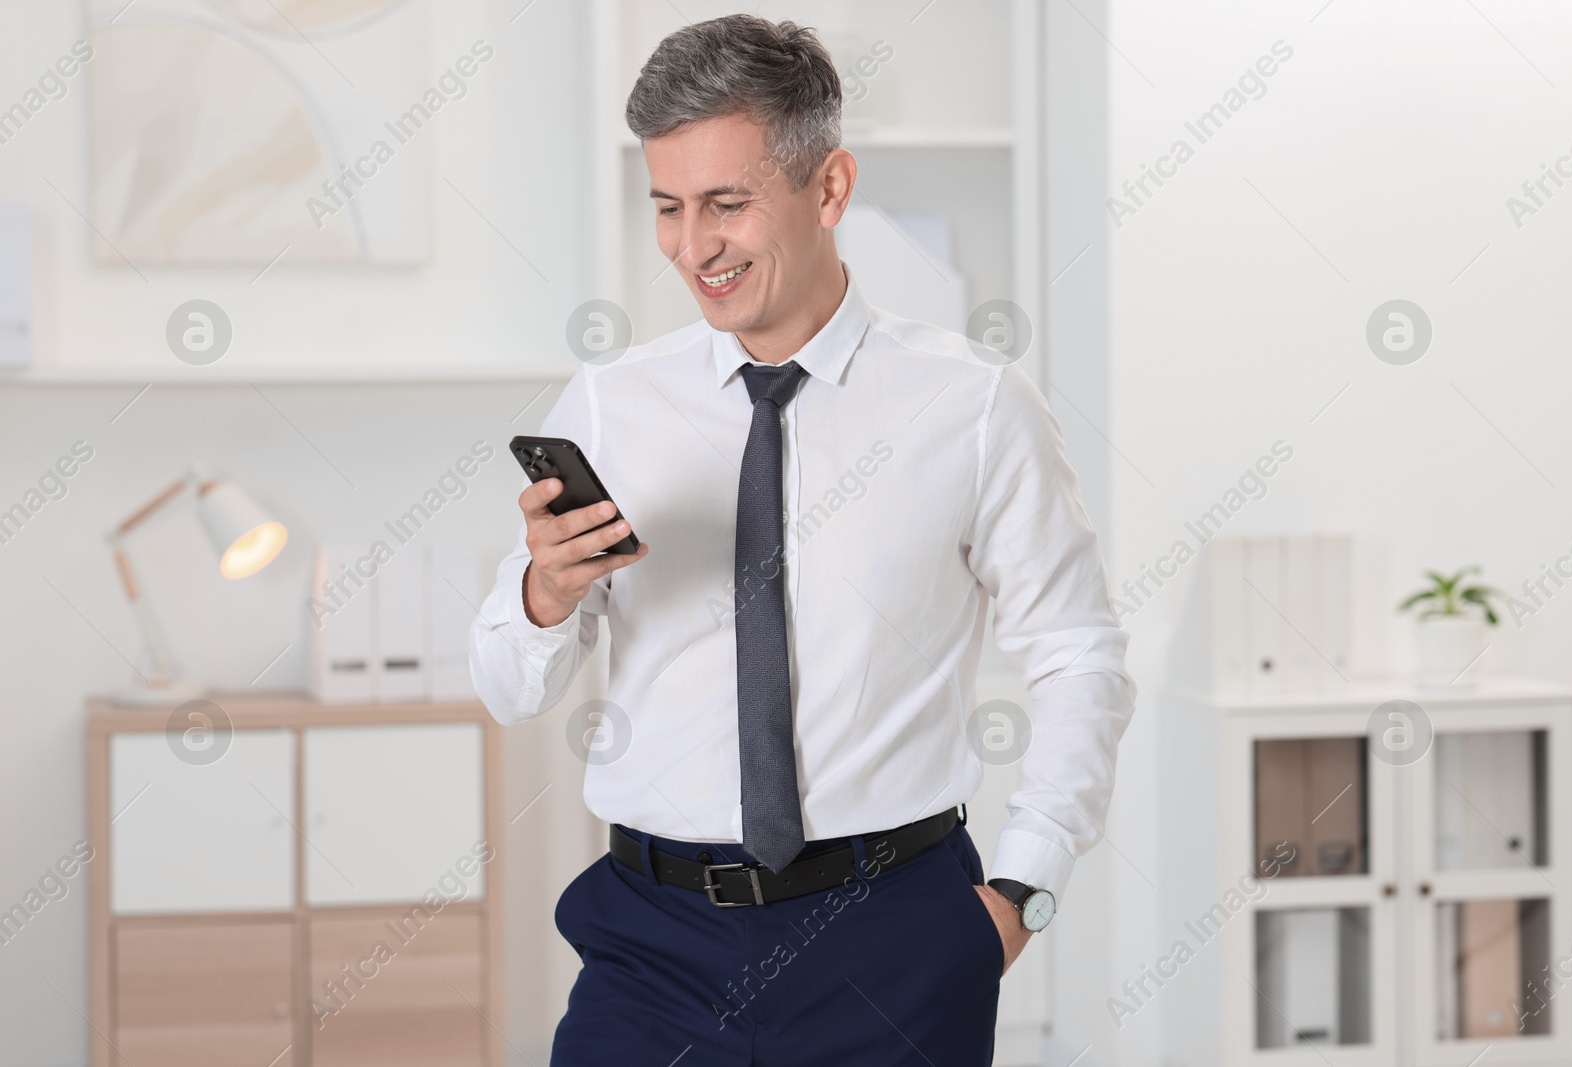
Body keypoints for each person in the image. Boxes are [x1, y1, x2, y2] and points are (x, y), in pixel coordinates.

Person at [469, 14, 1136, 1065]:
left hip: (896, 941)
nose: (693, 247)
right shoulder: (611, 404)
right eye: (669, 207)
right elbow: (509, 687)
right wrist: (544, 595)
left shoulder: (972, 406)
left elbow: (1079, 650)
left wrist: (1020, 891)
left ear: (828, 188)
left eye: (727, 204)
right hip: (652, 942)